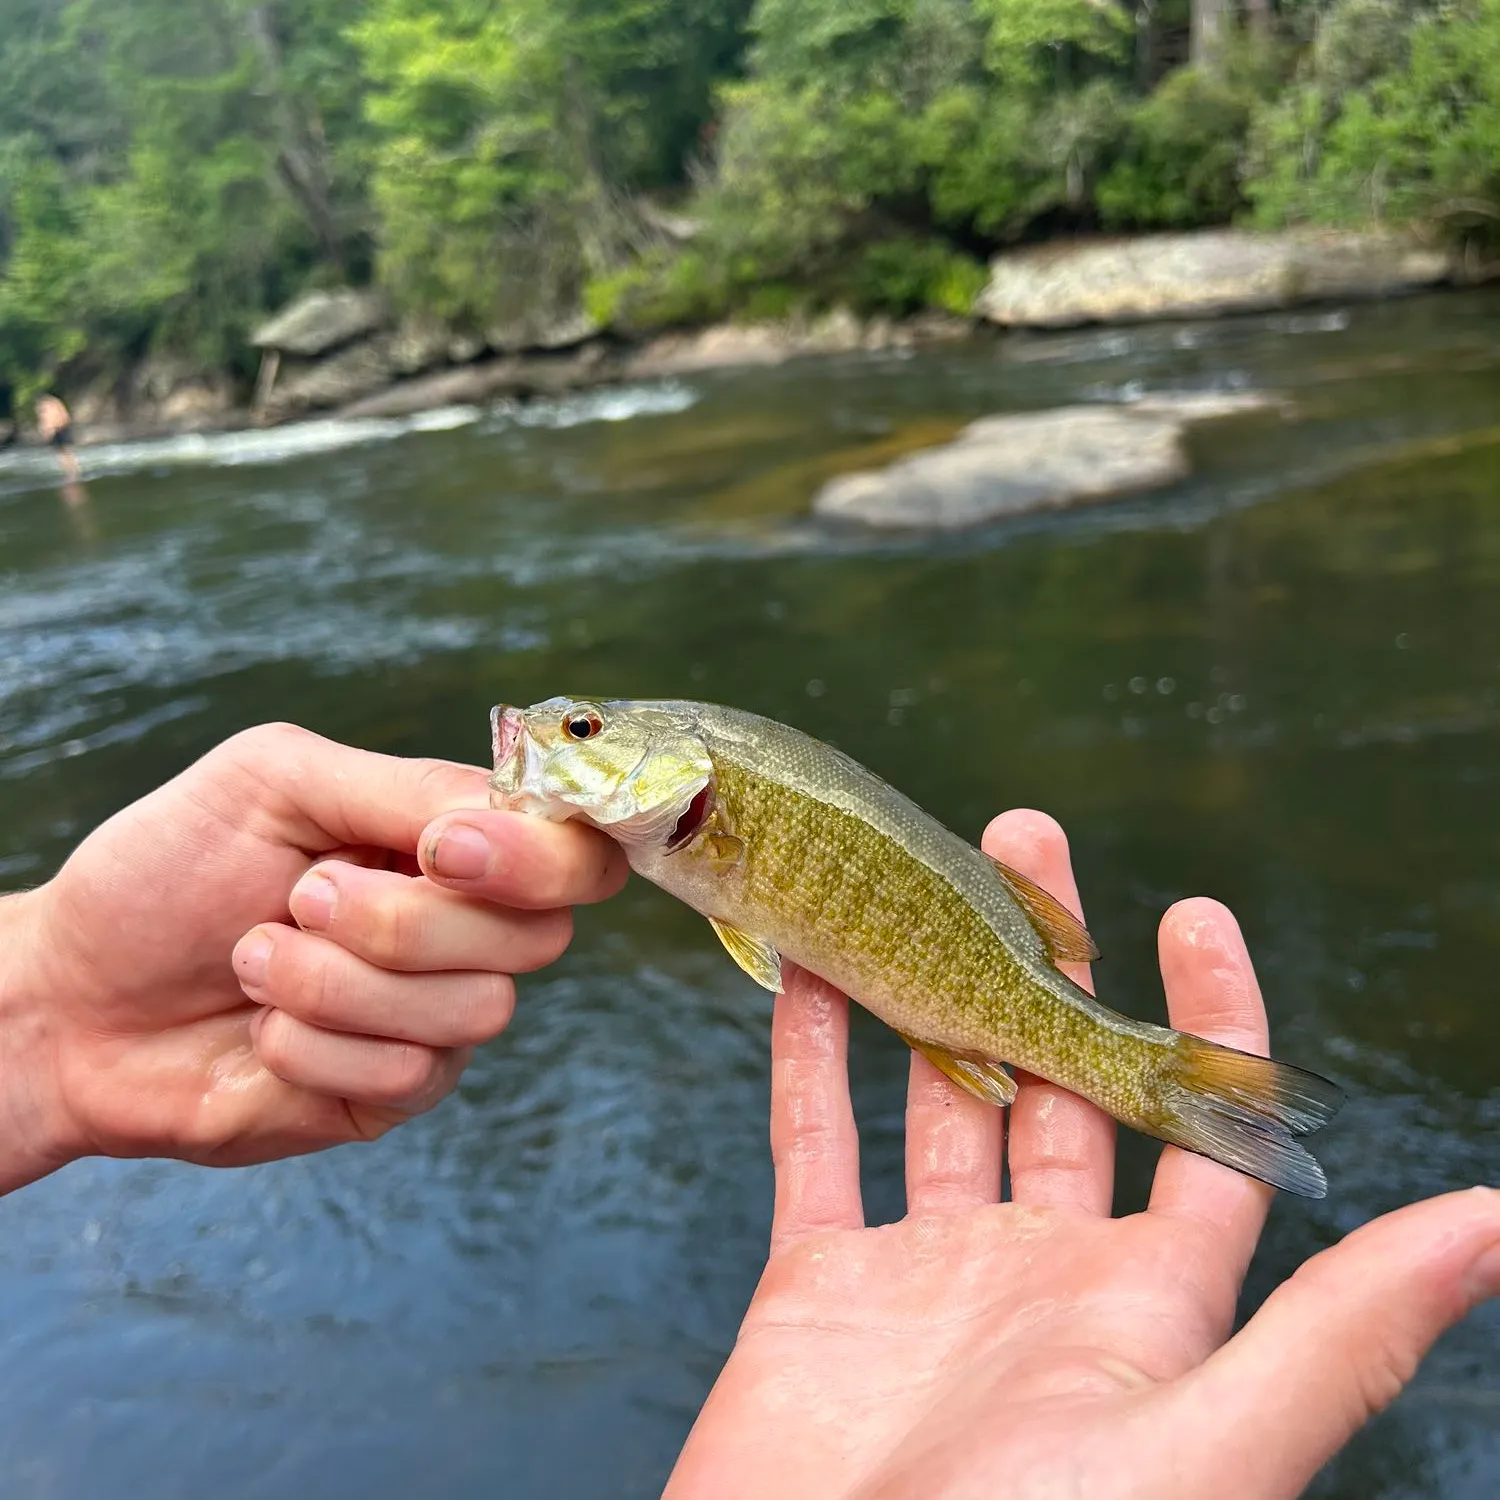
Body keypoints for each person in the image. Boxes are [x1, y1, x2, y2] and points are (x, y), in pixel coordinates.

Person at [0, 726, 1494, 1499]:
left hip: (1006, 1000)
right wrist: (51, 1006)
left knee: (1065, 1027)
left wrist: (54, 1010)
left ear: (680, 781)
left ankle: (1146, 1070)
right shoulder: (679, 833)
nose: (552, 743)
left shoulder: (705, 820)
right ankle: (1144, 1071)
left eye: (588, 733)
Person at [35, 392, 79, 482]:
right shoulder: (53, 403)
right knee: (64, 453)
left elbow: (48, 420)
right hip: (60, 428)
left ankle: (72, 474)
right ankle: (72, 474)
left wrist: (48, 430)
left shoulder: (49, 404)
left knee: (65, 453)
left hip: (60, 429)